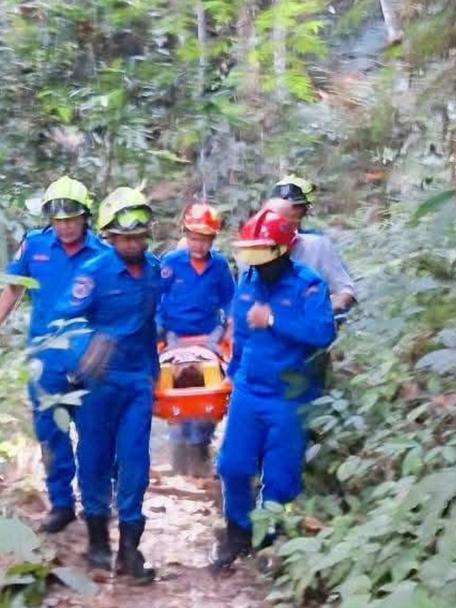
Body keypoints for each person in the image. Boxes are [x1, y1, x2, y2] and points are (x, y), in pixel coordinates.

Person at [0, 176, 108, 533]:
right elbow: (13, 288)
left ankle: (97, 503)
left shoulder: (103, 253)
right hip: (45, 356)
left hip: (88, 357)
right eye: (59, 220)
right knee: (50, 431)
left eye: (72, 219)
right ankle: (61, 504)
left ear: (85, 217)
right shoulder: (35, 245)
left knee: (94, 432)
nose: (66, 226)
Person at [211, 208, 335, 569]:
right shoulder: (247, 281)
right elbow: (242, 335)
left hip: (290, 396)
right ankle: (238, 533)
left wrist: (275, 320)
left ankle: (270, 541)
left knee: (280, 478)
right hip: (248, 390)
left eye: (263, 255)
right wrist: (232, 375)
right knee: (232, 465)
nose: (257, 264)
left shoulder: (308, 284)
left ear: (284, 251)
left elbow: (322, 333)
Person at [56, 187, 161, 583]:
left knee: (135, 463)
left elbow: (156, 319)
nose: (132, 244)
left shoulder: (155, 270)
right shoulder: (93, 272)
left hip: (137, 382)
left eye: (138, 237)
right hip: (98, 382)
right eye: (124, 238)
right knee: (94, 459)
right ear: (110, 237)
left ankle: (130, 552)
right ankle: (98, 542)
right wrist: (81, 351)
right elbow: (65, 320)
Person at [157, 202, 236, 476]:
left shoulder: (219, 265)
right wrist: (157, 326)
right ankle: (179, 456)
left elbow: (231, 299)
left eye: (204, 239)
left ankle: (200, 448)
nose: (198, 245)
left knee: (210, 392)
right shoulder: (171, 262)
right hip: (173, 337)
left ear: (212, 239)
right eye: (193, 238)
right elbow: (155, 297)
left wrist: (231, 323)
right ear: (185, 235)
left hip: (208, 338)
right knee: (173, 391)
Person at [270, 176, 356, 314]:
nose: (289, 213)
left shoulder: (318, 244)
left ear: (303, 211)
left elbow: (344, 290)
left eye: (295, 207)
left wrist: (324, 309)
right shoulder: (256, 248)